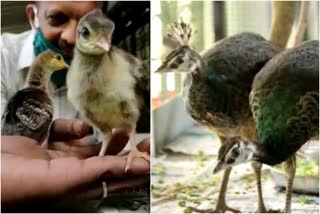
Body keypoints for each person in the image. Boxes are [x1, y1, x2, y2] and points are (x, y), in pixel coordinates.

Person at [1, 1, 150, 211]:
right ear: (33, 17)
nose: (71, 37)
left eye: (85, 23)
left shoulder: (116, 67)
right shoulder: (3, 57)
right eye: (58, 19)